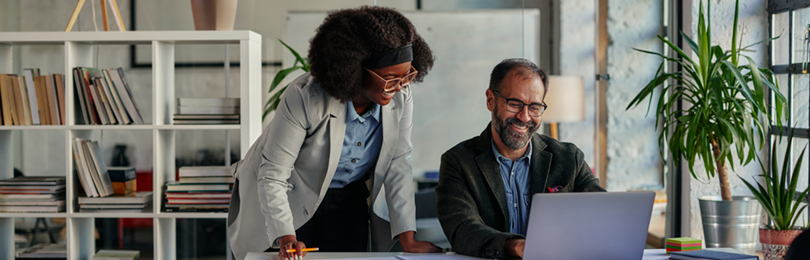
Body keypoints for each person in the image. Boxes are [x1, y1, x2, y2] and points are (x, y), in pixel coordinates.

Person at [227, 6, 441, 260]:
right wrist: (285, 236)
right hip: (289, 193)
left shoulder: (400, 96)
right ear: (354, 68)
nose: (398, 87)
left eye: (406, 76)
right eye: (389, 78)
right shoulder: (305, 96)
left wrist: (408, 237)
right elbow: (273, 175)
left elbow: (398, 163)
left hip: (346, 196)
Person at [435, 58, 606, 259]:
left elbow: (601, 214)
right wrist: (516, 246)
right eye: (515, 103)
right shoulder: (458, 162)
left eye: (534, 107)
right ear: (491, 100)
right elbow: (462, 229)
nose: (524, 117)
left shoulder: (569, 158)